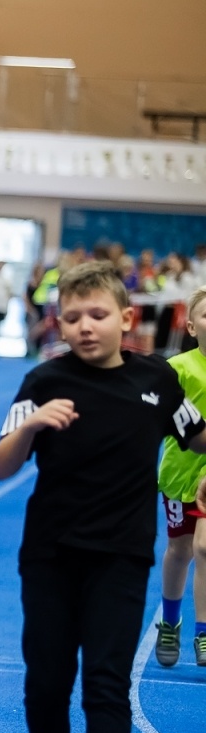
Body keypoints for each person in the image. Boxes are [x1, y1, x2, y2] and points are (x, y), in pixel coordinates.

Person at [0, 261, 206, 733]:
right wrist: (32, 423)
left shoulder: (158, 382)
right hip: (51, 556)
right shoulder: (42, 379)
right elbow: (2, 465)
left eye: (98, 315)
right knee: (46, 684)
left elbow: (196, 437)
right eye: (73, 316)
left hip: (121, 556)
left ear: (126, 320)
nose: (85, 327)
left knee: (107, 686)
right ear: (58, 321)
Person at [156, 285, 206, 670]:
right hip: (179, 475)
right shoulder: (178, 369)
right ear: (191, 326)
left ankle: (203, 633)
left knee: (205, 549)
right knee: (180, 550)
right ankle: (170, 621)